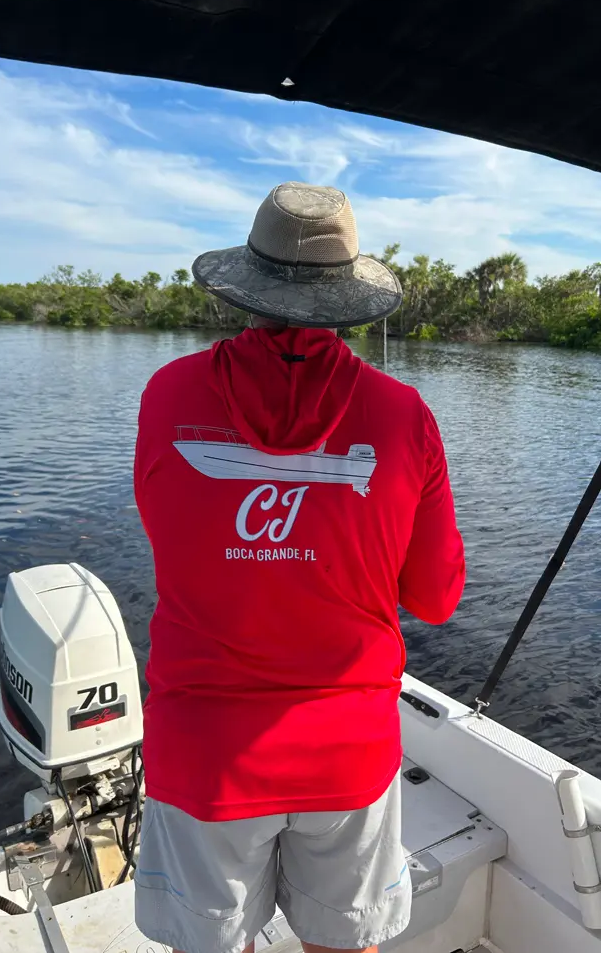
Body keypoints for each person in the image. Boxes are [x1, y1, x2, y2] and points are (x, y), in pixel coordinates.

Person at [134, 182, 466, 953]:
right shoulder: (403, 415)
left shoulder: (167, 394)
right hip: (348, 751)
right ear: (347, 298)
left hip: (205, 752)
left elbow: (169, 539)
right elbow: (438, 597)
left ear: (247, 287)